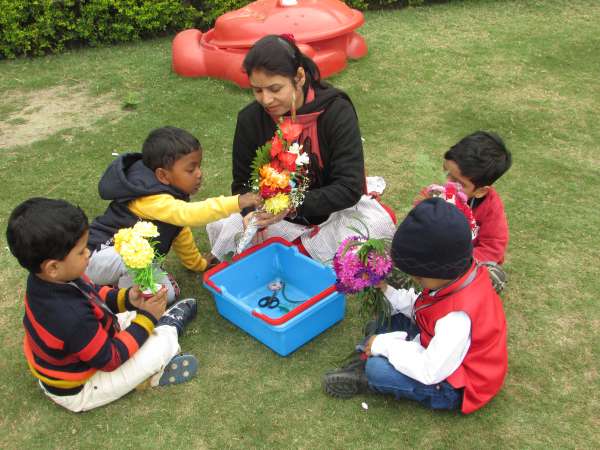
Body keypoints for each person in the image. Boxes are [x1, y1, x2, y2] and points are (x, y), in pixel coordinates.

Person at [207, 34, 396, 262]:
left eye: (275, 88)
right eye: (257, 90)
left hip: (331, 216)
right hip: (274, 217)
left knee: (370, 226)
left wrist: (291, 205)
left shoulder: (335, 112)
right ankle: (299, 253)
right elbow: (242, 183)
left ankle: (295, 253)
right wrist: (250, 214)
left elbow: (349, 187)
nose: (266, 100)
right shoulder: (250, 119)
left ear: (299, 77)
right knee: (227, 224)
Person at [7, 198, 199, 412]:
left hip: (75, 358)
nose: (88, 253)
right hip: (83, 386)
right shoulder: (70, 316)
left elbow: (93, 294)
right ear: (53, 267)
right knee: (161, 343)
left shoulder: (49, 279)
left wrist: (127, 298)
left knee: (128, 318)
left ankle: (149, 349)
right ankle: (168, 328)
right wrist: (149, 318)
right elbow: (110, 358)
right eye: (81, 252)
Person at [323, 198, 508, 414]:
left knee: (378, 370)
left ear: (441, 272)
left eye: (419, 278)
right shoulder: (455, 277)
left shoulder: (457, 319)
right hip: (436, 343)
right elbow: (421, 305)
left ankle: (366, 374)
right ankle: (365, 355)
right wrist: (387, 291)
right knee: (385, 321)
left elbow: (429, 370)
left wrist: (385, 346)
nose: (416, 281)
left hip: (455, 382)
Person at [86, 126, 262, 304]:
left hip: (136, 263)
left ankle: (120, 292)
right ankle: (108, 294)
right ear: (162, 175)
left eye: (199, 167)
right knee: (132, 262)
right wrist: (237, 202)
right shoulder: (151, 198)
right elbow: (188, 214)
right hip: (96, 257)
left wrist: (199, 264)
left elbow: (181, 232)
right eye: (190, 170)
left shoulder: (172, 203)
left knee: (166, 295)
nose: (199, 174)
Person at [430, 131, 512, 292]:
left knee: (490, 276)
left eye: (457, 181)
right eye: (445, 171)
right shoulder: (436, 191)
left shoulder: (490, 207)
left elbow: (492, 248)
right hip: (434, 255)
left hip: (464, 262)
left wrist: (456, 262)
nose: (446, 182)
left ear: (480, 191)